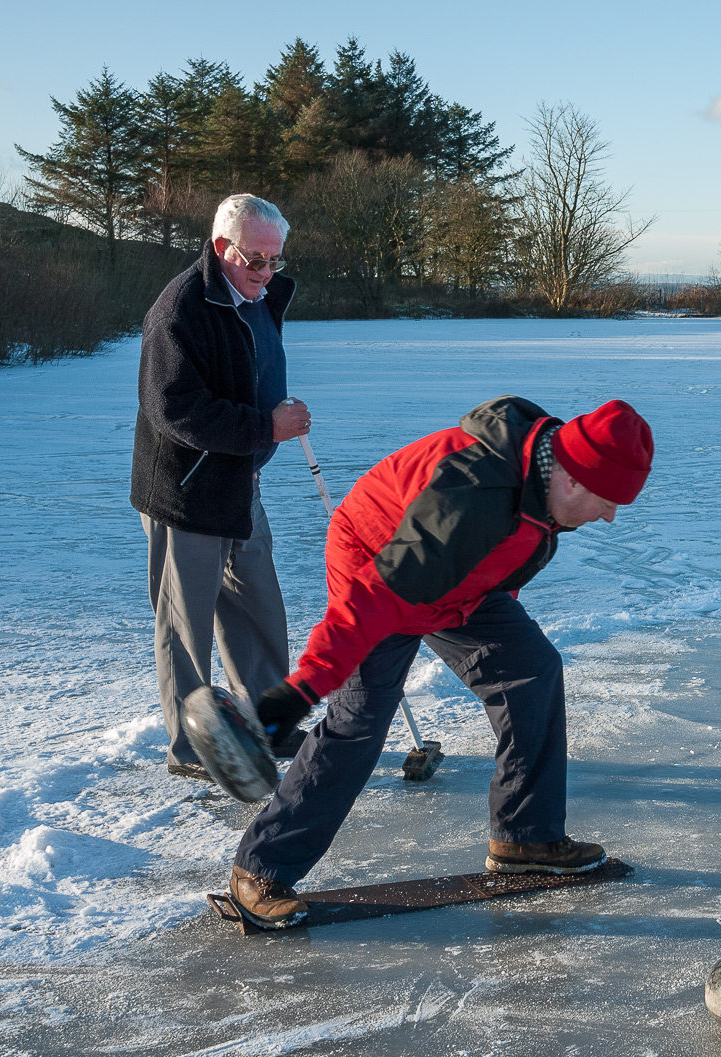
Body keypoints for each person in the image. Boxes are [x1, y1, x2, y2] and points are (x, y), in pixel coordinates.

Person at [226, 395, 655, 927]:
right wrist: (301, 689)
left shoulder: (545, 479)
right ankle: (261, 868)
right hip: (380, 565)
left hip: (458, 585)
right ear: (571, 479)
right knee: (360, 720)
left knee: (530, 670)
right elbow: (375, 597)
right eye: (607, 501)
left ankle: (526, 838)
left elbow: (502, 556)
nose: (610, 516)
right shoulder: (471, 495)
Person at [131, 194, 313, 780]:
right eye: (253, 260)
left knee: (257, 602)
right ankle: (194, 747)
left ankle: (267, 721)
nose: (265, 273)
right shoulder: (179, 309)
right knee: (185, 622)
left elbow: (249, 373)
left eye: (274, 261)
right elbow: (173, 410)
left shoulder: (260, 299)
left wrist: (275, 409)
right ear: (219, 248)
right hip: (185, 490)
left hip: (242, 480)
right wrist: (265, 426)